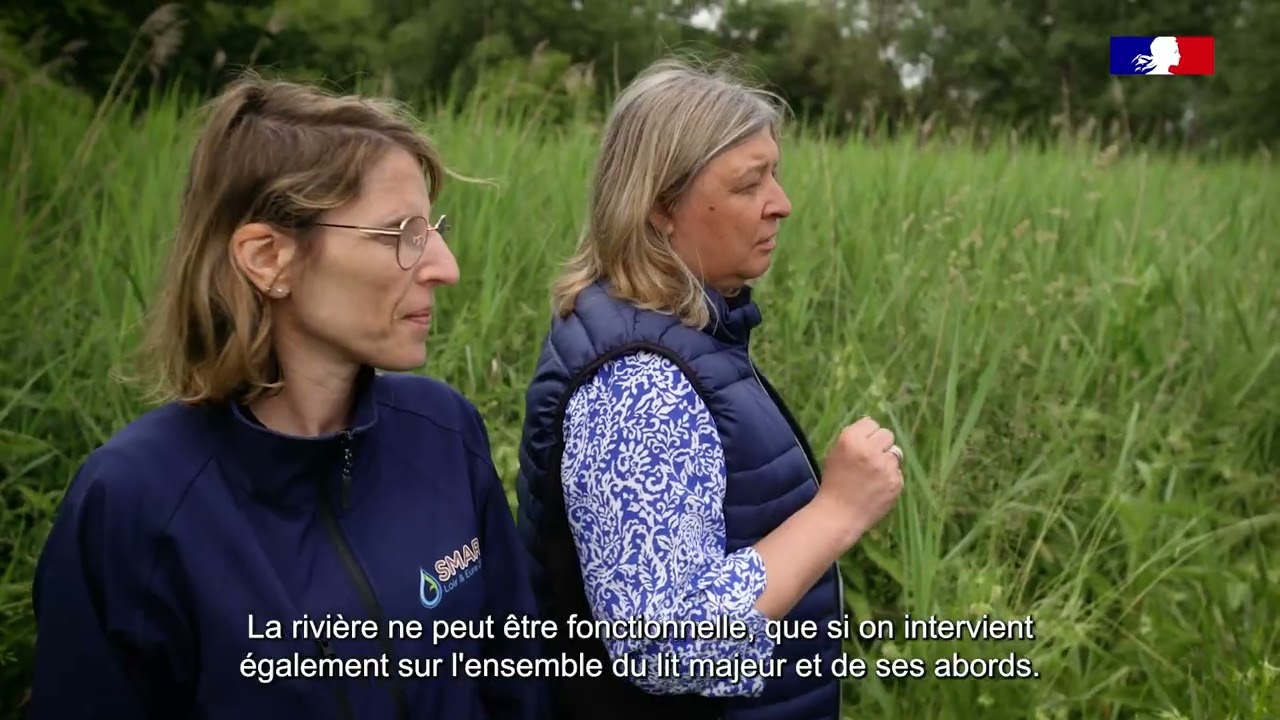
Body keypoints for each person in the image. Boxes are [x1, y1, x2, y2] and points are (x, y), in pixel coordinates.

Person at [27, 73, 541, 720]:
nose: (446, 266)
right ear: (269, 258)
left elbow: (517, 682)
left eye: (431, 228)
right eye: (399, 235)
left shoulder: (443, 433)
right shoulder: (134, 503)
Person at [513, 57, 905, 720]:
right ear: (663, 205)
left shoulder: (681, 334)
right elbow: (663, 641)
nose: (782, 203)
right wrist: (836, 511)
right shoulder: (638, 384)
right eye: (752, 182)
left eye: (774, 174)